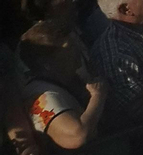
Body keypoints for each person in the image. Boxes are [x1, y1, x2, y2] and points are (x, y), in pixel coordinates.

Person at [17, 20, 108, 151]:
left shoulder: (71, 81)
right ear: (45, 62)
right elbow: (77, 136)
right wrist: (98, 96)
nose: (77, 51)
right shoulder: (42, 95)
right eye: (69, 48)